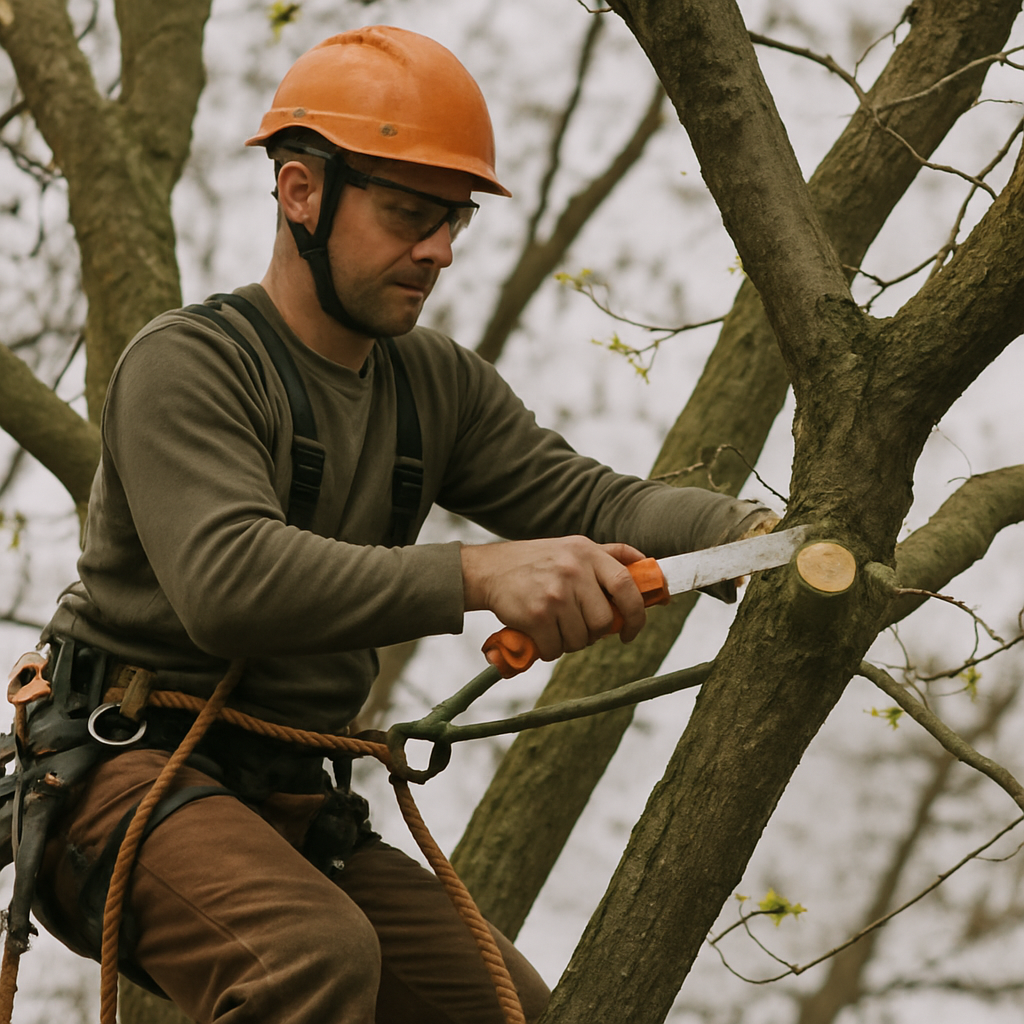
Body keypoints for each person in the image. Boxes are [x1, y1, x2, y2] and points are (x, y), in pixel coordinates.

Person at [25, 25, 777, 1024]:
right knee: (307, 954)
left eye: (452, 222)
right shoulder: (188, 364)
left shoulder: (433, 387)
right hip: (125, 778)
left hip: (293, 805)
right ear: (302, 192)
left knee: (510, 1012)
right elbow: (228, 584)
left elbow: (599, 506)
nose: (439, 249)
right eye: (409, 214)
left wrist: (756, 537)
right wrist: (477, 574)